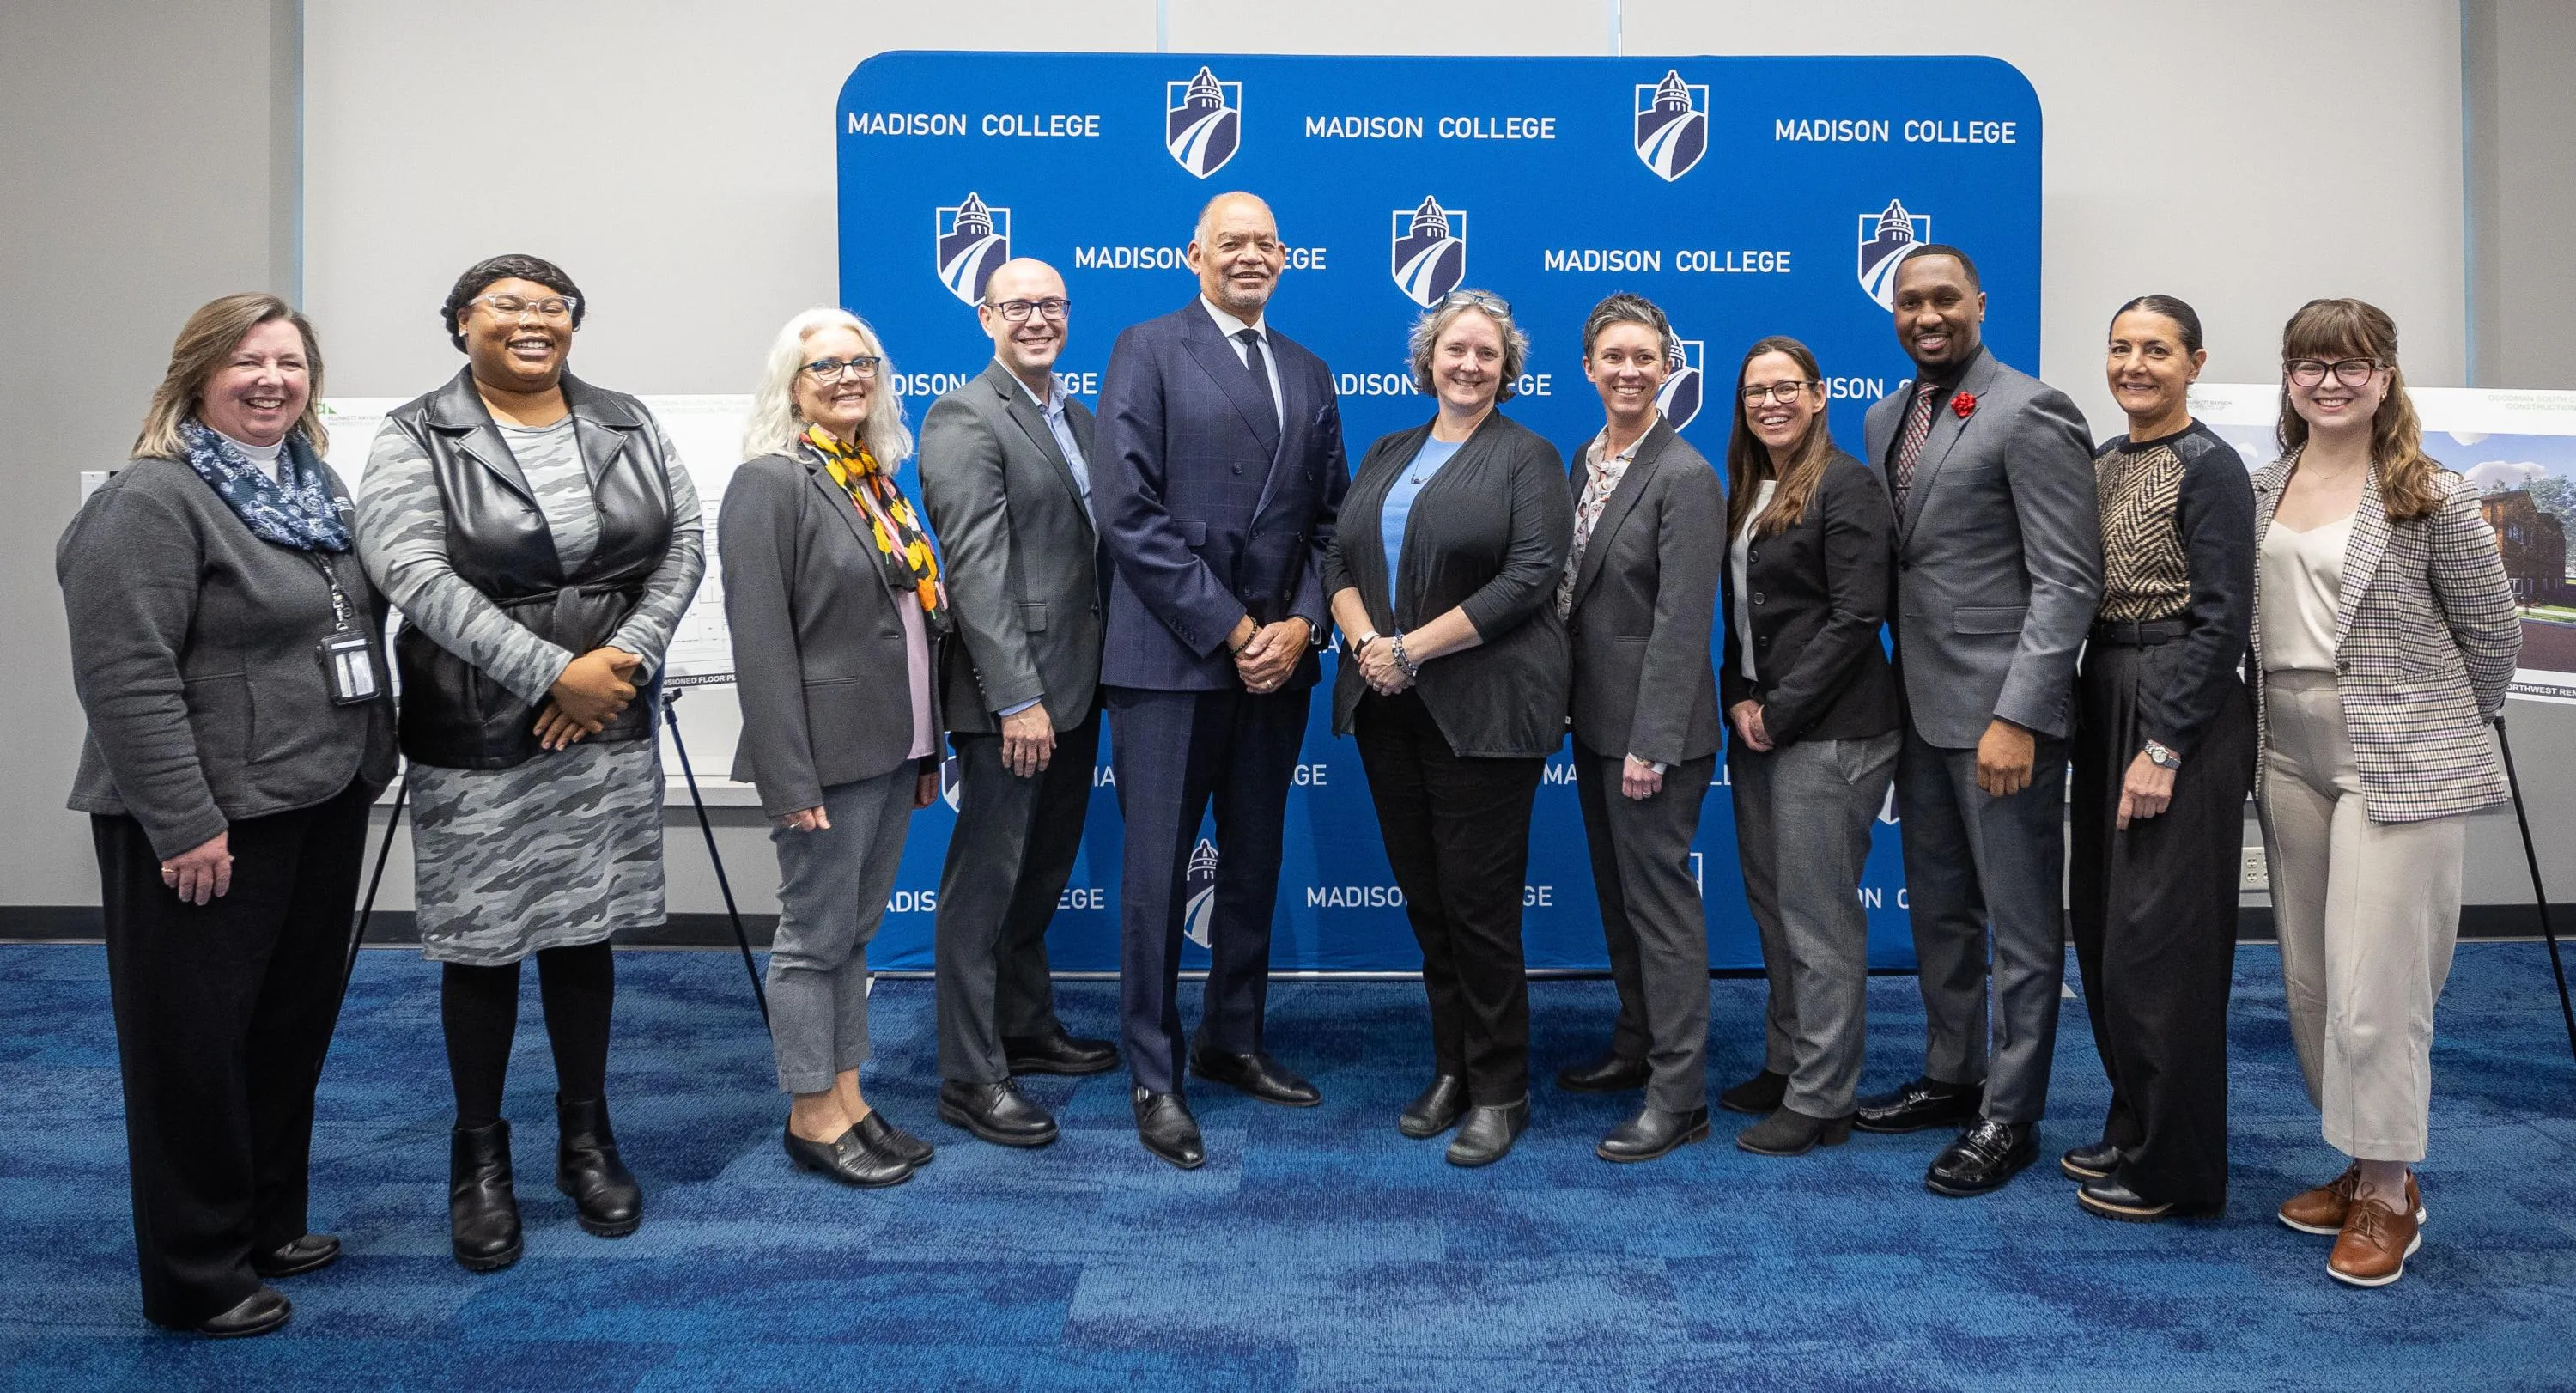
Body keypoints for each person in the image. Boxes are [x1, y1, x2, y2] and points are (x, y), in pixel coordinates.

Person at [357, 254, 703, 1269]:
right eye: (506, 305)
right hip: (479, 729)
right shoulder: (416, 433)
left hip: (606, 715)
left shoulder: (626, 419)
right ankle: (479, 1159)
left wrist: (617, 666)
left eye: (553, 306)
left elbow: (682, 540)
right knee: (485, 942)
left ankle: (585, 1139)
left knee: (583, 929)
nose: (533, 319)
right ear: (461, 323)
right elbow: (410, 571)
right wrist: (553, 674)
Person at [60, 295, 396, 1338]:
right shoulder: (151, 502)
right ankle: (197, 1273)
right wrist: (183, 819)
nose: (272, 380)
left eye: (290, 363)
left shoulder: (312, 486)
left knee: (285, 1028)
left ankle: (265, 1221)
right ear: (196, 375)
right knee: (191, 1050)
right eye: (247, 361)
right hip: (206, 823)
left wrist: (368, 755)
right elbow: (125, 675)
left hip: (314, 798)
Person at [2252, 298, 2518, 1287]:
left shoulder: (2427, 493)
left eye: (2349, 365)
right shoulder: (2259, 485)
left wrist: (2435, 732)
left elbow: (2492, 639)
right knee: (2315, 980)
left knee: (2380, 990)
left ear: (2385, 376)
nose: (2329, 380)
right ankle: (2361, 1157)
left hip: (2399, 754)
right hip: (2288, 750)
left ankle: (2393, 1192)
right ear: (2288, 377)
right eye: (2310, 364)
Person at [1095, 191, 1350, 1170]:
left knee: (1252, 863)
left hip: (1276, 666)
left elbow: (1333, 521)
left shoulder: (1309, 370)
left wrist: (1300, 623)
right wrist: (1235, 625)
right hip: (1171, 661)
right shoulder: (1147, 347)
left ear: (1284, 258)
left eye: (1266, 243)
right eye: (1231, 242)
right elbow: (1129, 510)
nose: (1250, 256)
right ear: (1192, 253)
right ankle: (1155, 1073)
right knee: (1158, 875)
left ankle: (1231, 1037)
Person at [1854, 245, 2101, 1196]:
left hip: (2002, 720)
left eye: (1944, 298)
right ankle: (1954, 1074)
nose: (1927, 315)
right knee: (1942, 915)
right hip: (1918, 712)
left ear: (1979, 303)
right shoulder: (1886, 418)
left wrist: (2021, 715)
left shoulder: (2031, 409)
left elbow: (2066, 577)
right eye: (1910, 300)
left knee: (2023, 923)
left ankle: (2012, 1112)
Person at [1325, 289, 1573, 1168]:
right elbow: (1337, 558)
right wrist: (1365, 642)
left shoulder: (1528, 455)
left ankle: (1502, 1087)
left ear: (1509, 370)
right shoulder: (1392, 448)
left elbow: (1533, 574)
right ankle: (1451, 1067)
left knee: (1480, 907)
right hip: (1390, 708)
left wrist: (1409, 649)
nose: (1470, 364)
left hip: (1486, 711)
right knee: (1430, 904)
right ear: (1428, 358)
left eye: (1488, 354)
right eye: (1455, 349)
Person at [723, 307, 945, 1188]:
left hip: (894, 747)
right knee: (813, 938)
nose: (849, 376)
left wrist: (928, 750)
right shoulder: (771, 482)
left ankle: (848, 1094)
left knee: (853, 932)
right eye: (826, 367)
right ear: (792, 385)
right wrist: (787, 774)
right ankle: (811, 1111)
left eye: (863, 362)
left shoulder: (873, 478)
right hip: (822, 756)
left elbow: (908, 621)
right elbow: (760, 641)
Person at [916, 258, 1120, 1149]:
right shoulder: (965, 414)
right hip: (1016, 696)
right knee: (985, 883)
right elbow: (976, 567)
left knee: (1039, 869)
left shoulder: (1075, 415)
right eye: (1018, 307)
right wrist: (1017, 698)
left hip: (1078, 685)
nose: (1037, 319)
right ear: (985, 316)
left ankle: (1025, 1025)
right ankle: (970, 1072)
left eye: (1051, 305)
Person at [2064, 296, 2257, 1222]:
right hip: (2107, 682)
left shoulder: (2212, 467)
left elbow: (2225, 617)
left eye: (2157, 349)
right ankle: (2136, 1122)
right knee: (2105, 928)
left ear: (2195, 361)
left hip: (2180, 698)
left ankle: (2178, 1170)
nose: (2135, 363)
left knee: (2164, 946)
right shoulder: (2104, 460)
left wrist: (2165, 742)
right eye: (2121, 348)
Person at [1716, 336, 1904, 1159]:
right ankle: (1788, 1059)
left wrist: (1778, 711)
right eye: (1757, 391)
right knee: (1773, 904)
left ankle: (1823, 1096)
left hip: (1830, 731)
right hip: (1762, 725)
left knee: (1818, 917)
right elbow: (1744, 616)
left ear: (1820, 396)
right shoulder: (1751, 489)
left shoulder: (1847, 485)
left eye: (1787, 388)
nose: (1772, 403)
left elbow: (1857, 616)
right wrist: (1737, 697)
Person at [1548, 293, 1725, 1164]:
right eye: (1612, 357)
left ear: (1670, 368)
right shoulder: (1587, 461)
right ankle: (1636, 1042)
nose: (1628, 371)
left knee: (1660, 911)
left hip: (1654, 733)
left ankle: (1679, 1094)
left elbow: (1684, 622)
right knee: (1622, 902)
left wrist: (1652, 741)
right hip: (1594, 721)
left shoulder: (1685, 474)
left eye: (1645, 358)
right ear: (1588, 367)